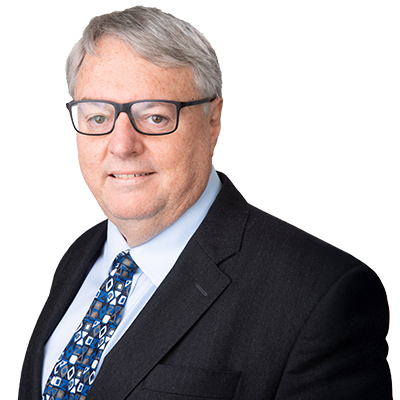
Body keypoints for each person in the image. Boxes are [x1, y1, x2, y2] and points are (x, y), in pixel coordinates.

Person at [19, 6, 392, 400]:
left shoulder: (320, 295)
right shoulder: (79, 256)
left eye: (155, 117)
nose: (122, 146)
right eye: (97, 118)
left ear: (213, 122)